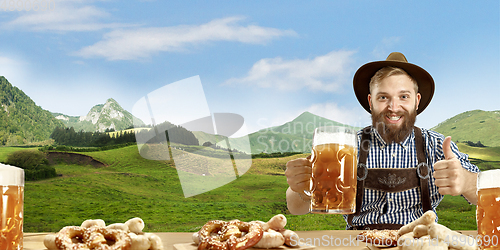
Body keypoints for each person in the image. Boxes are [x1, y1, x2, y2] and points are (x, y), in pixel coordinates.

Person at [285, 52, 480, 230]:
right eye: (383, 97)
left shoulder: (437, 145)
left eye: (403, 96)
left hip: (419, 241)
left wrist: (466, 181)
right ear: (371, 102)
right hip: (358, 241)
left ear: (416, 101)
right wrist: (302, 189)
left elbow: (488, 194)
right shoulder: (347, 146)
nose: (393, 107)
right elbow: (295, 208)